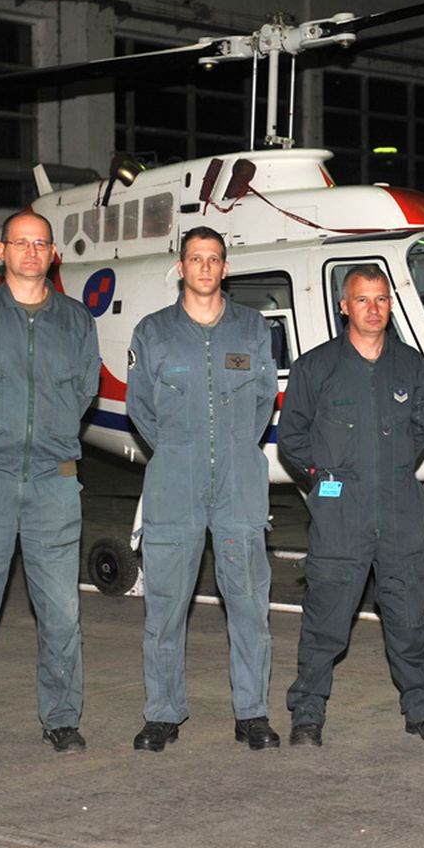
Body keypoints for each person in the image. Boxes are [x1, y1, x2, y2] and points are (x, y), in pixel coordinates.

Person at [0, 211, 100, 758]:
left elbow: (83, 393)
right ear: (1, 251)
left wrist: (48, 438)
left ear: (54, 255)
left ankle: (60, 719)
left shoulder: (77, 322)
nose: (30, 251)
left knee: (61, 614)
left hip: (54, 483)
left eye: (41, 244)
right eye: (19, 242)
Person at [278, 265, 424, 746]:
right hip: (340, 519)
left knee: (409, 623)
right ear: (343, 306)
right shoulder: (316, 368)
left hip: (400, 515)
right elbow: (291, 435)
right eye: (362, 300)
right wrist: (324, 476)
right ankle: (308, 715)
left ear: (391, 304)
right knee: (325, 624)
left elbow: (421, 429)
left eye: (380, 299)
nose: (372, 309)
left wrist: (392, 471)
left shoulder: (410, 365)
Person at [126, 227, 280, 752]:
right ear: (182, 266)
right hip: (174, 485)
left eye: (214, 259)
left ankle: (252, 713)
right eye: (196, 258)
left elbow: (263, 400)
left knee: (248, 606)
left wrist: (236, 447)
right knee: (166, 607)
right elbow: (140, 409)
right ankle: (162, 715)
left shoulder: (252, 328)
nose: (206, 268)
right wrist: (178, 450)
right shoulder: (153, 333)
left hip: (240, 485)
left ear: (225, 267)